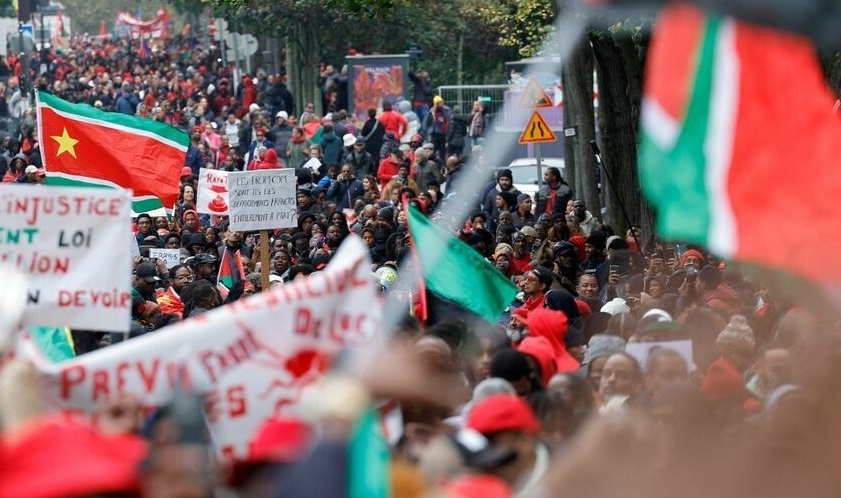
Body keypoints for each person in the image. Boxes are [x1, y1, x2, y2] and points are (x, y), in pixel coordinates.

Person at [466, 395, 549, 496]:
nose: (487, 466)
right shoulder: (473, 481)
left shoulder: (562, 470)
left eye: (492, 447)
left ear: (525, 440)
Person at [424, 95, 452, 162]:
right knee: (432, 150)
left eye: (441, 102)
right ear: (435, 104)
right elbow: (426, 122)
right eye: (438, 103)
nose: (440, 104)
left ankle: (442, 165)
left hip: (443, 133)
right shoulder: (432, 111)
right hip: (434, 134)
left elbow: (449, 120)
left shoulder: (446, 110)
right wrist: (431, 113)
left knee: (443, 152)